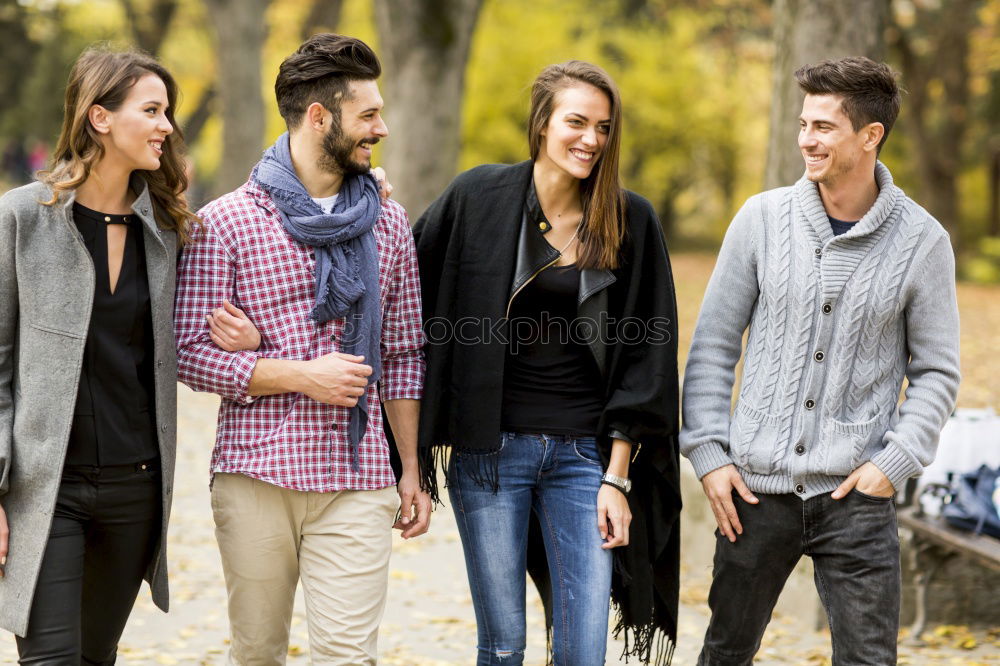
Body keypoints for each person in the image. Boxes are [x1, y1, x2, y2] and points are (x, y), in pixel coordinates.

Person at [680, 56, 961, 665]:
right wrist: (709, 454)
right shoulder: (761, 219)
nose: (806, 139)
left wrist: (895, 461)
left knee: (868, 661)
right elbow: (713, 349)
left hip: (858, 497)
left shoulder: (923, 241)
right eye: (803, 123)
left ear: (870, 135)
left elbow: (937, 372)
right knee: (725, 653)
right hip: (754, 491)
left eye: (824, 127)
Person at [174, 33, 430, 665]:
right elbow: (186, 353)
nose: (382, 127)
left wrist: (411, 469)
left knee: (349, 656)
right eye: (368, 115)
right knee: (258, 653)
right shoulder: (225, 223)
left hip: (357, 472)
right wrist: (297, 372)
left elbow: (401, 353)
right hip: (256, 473)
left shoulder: (389, 221)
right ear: (320, 117)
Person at [414, 60, 681, 666]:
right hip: (489, 453)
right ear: (542, 124)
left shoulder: (629, 219)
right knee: (504, 645)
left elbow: (648, 355)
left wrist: (617, 476)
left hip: (584, 458)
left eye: (605, 128)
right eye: (577, 122)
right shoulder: (477, 196)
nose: (591, 139)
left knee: (583, 651)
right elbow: (403, 283)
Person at [0, 46, 258, 662]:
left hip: (135, 488)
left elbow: (230, 303)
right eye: (152, 110)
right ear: (100, 118)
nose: (168, 126)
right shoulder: (20, 219)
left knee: (96, 657)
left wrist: (252, 340)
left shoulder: (172, 232)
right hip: (46, 489)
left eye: (167, 111)